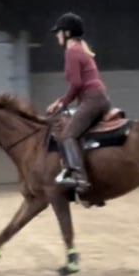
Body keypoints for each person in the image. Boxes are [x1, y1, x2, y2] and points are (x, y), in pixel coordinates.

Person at [45, 12, 112, 194]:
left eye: (59, 32)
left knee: (68, 135)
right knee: (70, 127)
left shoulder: (72, 52)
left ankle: (79, 177)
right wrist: (60, 101)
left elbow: (76, 84)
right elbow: (78, 85)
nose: (57, 35)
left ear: (67, 33)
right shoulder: (79, 50)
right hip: (96, 97)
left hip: (92, 99)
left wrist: (63, 103)